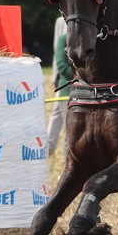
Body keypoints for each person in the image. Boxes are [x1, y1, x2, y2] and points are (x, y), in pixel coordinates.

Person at [46, 16, 73, 156]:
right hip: (67, 89)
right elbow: (61, 65)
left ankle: (48, 147)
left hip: (82, 91)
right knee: (70, 135)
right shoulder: (63, 34)